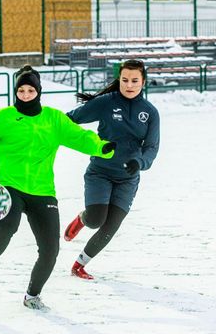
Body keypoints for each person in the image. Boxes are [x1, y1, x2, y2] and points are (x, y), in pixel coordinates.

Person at [0, 65, 116, 311]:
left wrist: (101, 147)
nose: (25, 95)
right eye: (21, 90)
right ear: (16, 92)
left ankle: (32, 296)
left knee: (50, 249)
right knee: (7, 225)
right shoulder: (4, 118)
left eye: (30, 90)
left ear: (39, 91)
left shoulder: (54, 119)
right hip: (10, 185)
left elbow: (80, 137)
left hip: (42, 190)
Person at [63, 59, 160, 280]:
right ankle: (83, 219)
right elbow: (71, 119)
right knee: (96, 220)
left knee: (110, 226)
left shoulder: (150, 113)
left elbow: (152, 147)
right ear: (119, 79)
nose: (129, 85)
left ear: (143, 82)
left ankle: (79, 265)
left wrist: (140, 162)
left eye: (134, 80)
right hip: (100, 172)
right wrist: (44, 126)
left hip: (128, 179)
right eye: (125, 80)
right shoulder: (106, 102)